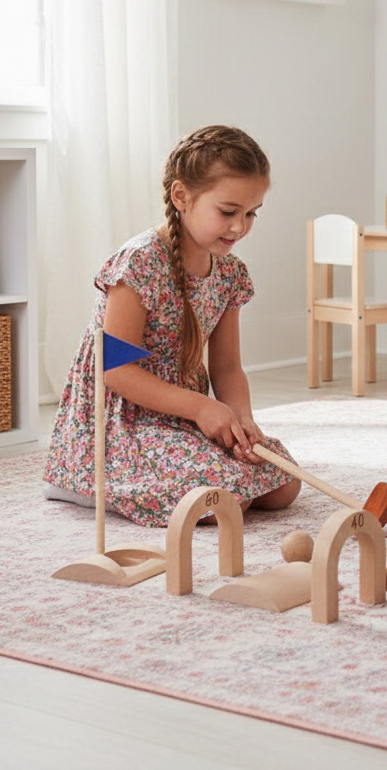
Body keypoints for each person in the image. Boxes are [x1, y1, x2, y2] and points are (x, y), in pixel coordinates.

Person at [43, 125, 300, 527]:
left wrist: (242, 421)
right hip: (124, 422)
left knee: (284, 483)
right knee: (226, 501)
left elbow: (227, 368)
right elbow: (117, 372)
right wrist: (201, 407)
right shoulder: (139, 263)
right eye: (228, 212)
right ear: (182, 197)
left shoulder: (230, 273)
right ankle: (85, 481)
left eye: (251, 213)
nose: (240, 227)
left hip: (182, 416)